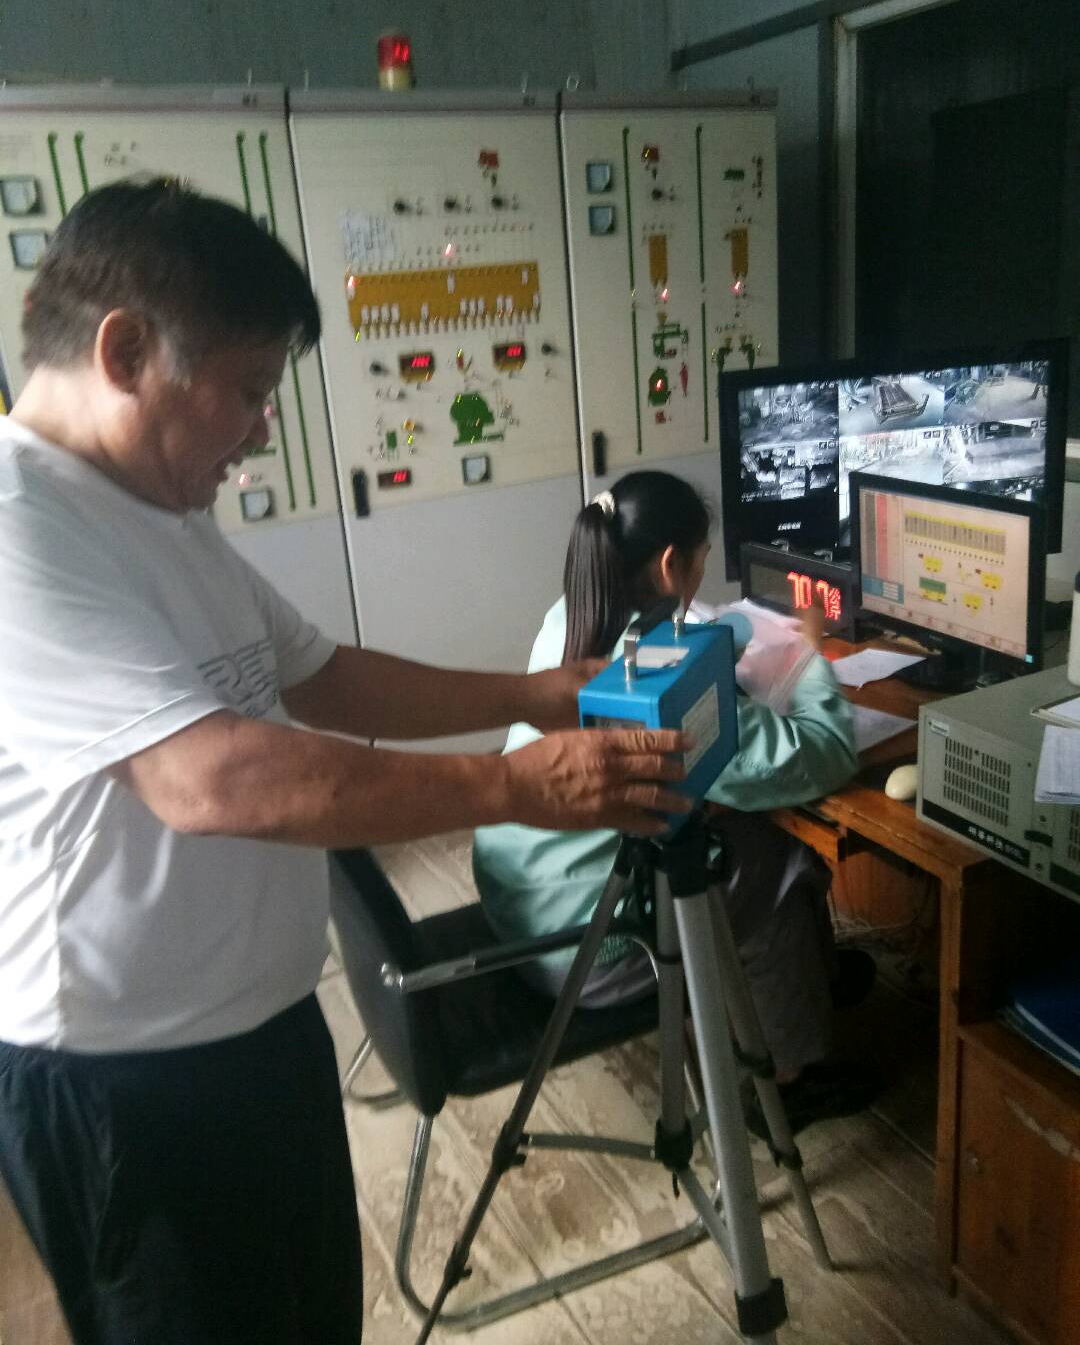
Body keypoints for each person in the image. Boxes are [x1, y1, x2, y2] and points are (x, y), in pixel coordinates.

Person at [0, 179, 690, 1345]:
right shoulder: (22, 520)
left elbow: (324, 673)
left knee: (312, 1315)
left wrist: (533, 693)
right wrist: (516, 785)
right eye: (249, 389)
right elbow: (209, 779)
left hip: (262, 1026)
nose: (263, 429)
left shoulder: (159, 512)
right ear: (125, 353)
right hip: (126, 1082)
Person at [473, 471, 880, 1131]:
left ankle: (816, 982)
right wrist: (809, 661)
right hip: (586, 947)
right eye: (701, 560)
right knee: (777, 856)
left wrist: (727, 654)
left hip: (521, 904)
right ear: (670, 565)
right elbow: (825, 753)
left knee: (738, 827)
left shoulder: (571, 614)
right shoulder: (662, 682)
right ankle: (791, 1078)